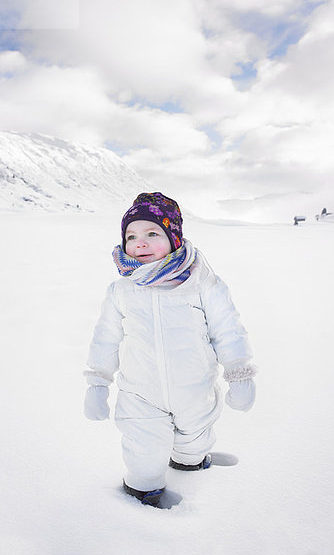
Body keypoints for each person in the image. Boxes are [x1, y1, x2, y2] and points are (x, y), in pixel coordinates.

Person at [84, 192, 256, 507]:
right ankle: (141, 494)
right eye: (131, 236)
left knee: (194, 444)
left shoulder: (203, 284)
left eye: (153, 233)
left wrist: (240, 374)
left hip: (195, 390)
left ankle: (190, 464)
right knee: (142, 454)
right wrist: (98, 382)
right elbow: (106, 337)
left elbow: (227, 330)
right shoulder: (122, 290)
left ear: (173, 237)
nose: (140, 243)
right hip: (140, 393)